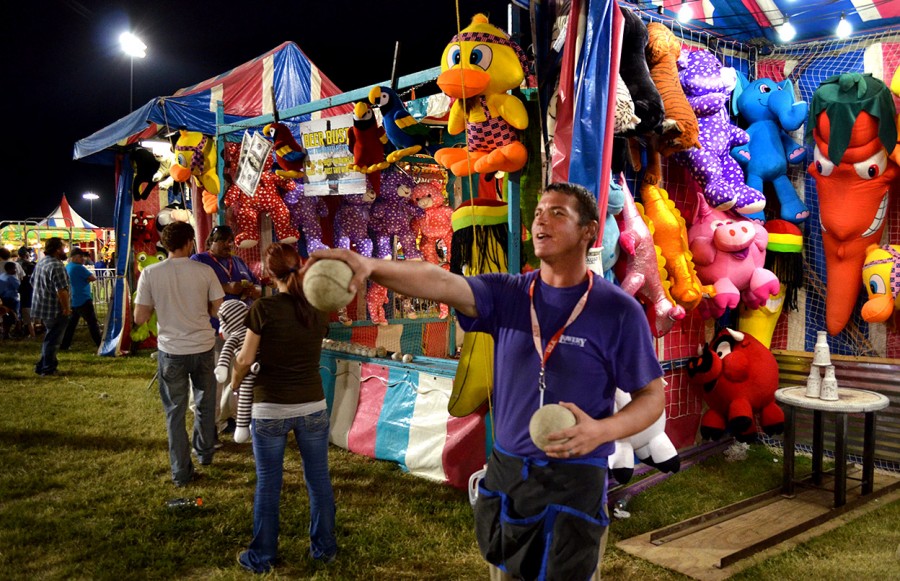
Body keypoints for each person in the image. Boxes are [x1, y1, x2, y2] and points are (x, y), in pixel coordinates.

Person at [309, 182, 666, 579]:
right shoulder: (508, 293)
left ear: (588, 232)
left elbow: (651, 396)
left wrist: (602, 430)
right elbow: (439, 281)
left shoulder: (617, 310)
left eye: (558, 213)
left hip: (575, 479)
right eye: (538, 213)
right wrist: (370, 265)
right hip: (509, 472)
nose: (541, 220)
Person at [233, 242, 336, 573]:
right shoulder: (318, 308)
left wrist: (235, 381)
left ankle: (262, 557)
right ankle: (325, 549)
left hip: (270, 408)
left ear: (267, 272)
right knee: (319, 481)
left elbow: (246, 360)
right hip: (313, 406)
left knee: (268, 483)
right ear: (300, 266)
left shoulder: (263, 309)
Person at [134, 221, 224, 487]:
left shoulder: (150, 273)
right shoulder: (205, 271)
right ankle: (205, 453)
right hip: (203, 347)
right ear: (189, 242)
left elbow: (140, 317)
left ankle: (181, 472)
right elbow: (216, 310)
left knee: (175, 411)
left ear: (165, 243)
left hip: (171, 350)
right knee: (206, 403)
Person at [191, 224, 262, 434]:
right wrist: (226, 288)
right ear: (211, 241)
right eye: (222, 240)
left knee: (236, 375)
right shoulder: (200, 261)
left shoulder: (238, 262)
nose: (227, 245)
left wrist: (251, 290)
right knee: (216, 377)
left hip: (242, 331)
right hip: (213, 329)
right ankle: (210, 422)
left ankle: (229, 417)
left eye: (230, 241)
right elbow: (196, 288)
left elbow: (258, 288)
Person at [31, 238, 72, 376]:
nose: (65, 250)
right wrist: (66, 308)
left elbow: (32, 282)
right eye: (63, 248)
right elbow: (61, 290)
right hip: (55, 309)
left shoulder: (41, 262)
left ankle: (42, 365)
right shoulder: (57, 266)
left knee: (50, 337)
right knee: (53, 341)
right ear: (57, 250)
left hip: (42, 307)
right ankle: (48, 368)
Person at [60, 247, 102, 350]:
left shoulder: (68, 267)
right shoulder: (79, 268)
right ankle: (100, 343)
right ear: (74, 257)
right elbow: (93, 278)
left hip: (74, 299)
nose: (83, 259)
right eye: (80, 257)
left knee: (71, 325)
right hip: (83, 299)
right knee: (92, 323)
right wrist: (86, 280)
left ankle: (65, 345)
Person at [16, 247, 36, 339]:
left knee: (20, 310)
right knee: (27, 310)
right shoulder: (31, 265)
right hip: (28, 290)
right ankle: (31, 332)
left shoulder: (15, 264)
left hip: (18, 290)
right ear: (26, 255)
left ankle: (21, 329)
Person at [0, 261, 20, 339]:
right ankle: (11, 332)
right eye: (14, 269)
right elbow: (19, 287)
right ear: (10, 269)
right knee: (13, 316)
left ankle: (6, 333)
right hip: (12, 299)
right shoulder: (11, 278)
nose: (15, 270)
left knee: (5, 316)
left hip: (3, 298)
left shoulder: (2, 276)